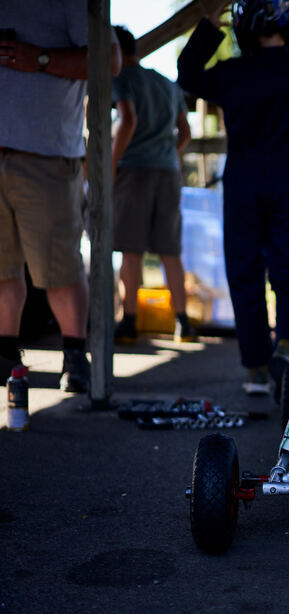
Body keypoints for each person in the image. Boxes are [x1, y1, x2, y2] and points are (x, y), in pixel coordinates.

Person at [178, 0, 289, 396]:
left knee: (245, 268)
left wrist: (208, 27)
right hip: (288, 174)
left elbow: (187, 76)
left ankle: (256, 366)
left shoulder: (233, 72)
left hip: (243, 176)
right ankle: (286, 343)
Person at [0, 3, 121, 392]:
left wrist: (41, 58)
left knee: (60, 268)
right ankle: (5, 355)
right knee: (1, 268)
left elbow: (111, 60)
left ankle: (75, 356)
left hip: (47, 157)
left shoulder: (69, 2)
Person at [110, 26, 195, 345]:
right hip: (167, 172)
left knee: (131, 251)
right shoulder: (165, 82)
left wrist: (112, 165)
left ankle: (128, 322)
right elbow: (184, 132)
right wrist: (168, 155)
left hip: (135, 170)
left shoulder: (122, 79)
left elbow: (127, 119)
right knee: (170, 251)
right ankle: (183, 323)